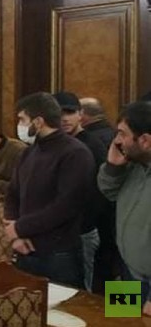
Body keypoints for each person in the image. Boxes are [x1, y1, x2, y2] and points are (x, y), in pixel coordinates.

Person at [4, 92, 93, 289]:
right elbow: (12, 193)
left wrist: (20, 228)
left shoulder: (75, 152)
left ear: (38, 121)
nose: (19, 125)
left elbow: (66, 206)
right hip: (25, 247)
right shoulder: (29, 152)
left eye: (22, 119)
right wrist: (16, 234)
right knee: (26, 302)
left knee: (71, 306)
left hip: (58, 252)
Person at [98, 100, 151, 316]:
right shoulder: (134, 165)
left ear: (145, 140)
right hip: (126, 272)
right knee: (119, 321)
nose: (117, 141)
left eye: (122, 134)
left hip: (149, 287)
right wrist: (113, 167)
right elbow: (109, 192)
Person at [54, 91, 110, 292]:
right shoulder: (63, 144)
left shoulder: (90, 145)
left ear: (81, 114)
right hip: (89, 228)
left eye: (69, 112)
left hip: (97, 228)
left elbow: (100, 192)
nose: (64, 118)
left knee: (96, 287)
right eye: (59, 113)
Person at [79, 96, 120, 293]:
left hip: (103, 222)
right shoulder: (110, 138)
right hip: (119, 234)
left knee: (103, 279)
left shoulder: (92, 141)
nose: (119, 141)